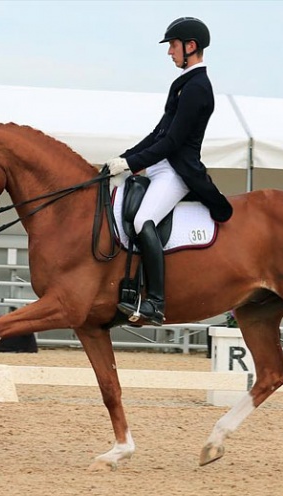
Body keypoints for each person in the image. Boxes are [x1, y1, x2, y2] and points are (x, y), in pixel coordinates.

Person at [105, 17, 233, 326]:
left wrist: (134, 163)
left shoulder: (198, 87)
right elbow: (159, 133)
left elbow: (174, 142)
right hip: (162, 166)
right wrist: (124, 159)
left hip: (177, 172)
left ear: (191, 46)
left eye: (173, 46)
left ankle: (156, 302)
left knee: (142, 219)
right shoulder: (184, 83)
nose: (169, 52)